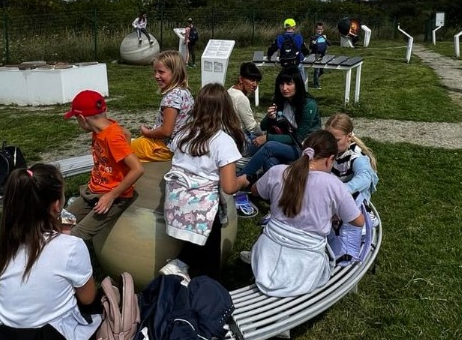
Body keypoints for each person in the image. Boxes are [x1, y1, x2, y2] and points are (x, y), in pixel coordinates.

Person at [0, 163, 121, 340]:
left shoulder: (5, 247)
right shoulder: (70, 246)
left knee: (51, 304)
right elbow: (87, 298)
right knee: (97, 304)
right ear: (57, 206)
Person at [243, 130, 365, 300]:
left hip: (264, 260)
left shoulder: (278, 171)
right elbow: (358, 221)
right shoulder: (334, 185)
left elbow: (255, 190)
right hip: (304, 270)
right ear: (330, 159)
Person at [159, 84, 246, 281]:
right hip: (202, 210)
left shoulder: (183, 133)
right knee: (210, 253)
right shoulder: (223, 141)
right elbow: (229, 187)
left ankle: (181, 263)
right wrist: (242, 181)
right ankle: (205, 285)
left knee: (198, 240)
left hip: (176, 204)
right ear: (226, 109)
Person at [232, 66, 320, 213]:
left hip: (305, 148)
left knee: (269, 145)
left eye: (289, 84)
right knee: (270, 161)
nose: (284, 88)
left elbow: (298, 137)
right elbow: (264, 125)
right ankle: (275, 198)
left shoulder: (308, 105)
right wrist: (270, 117)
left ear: (298, 84)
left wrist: (267, 137)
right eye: (281, 84)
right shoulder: (282, 101)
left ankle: (241, 179)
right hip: (287, 144)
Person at [63, 90, 144, 243]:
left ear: (82, 118)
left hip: (113, 197)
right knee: (60, 221)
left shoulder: (112, 137)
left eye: (76, 118)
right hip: (93, 191)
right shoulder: (102, 128)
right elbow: (126, 133)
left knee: (74, 236)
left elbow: (138, 169)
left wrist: (111, 195)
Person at [130, 50, 193, 161]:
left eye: (161, 72)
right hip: (180, 145)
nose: (156, 76)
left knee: (122, 150)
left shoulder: (172, 97)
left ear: (175, 72)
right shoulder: (185, 92)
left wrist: (148, 133)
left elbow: (166, 131)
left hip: (163, 147)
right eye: (155, 71)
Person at [324, 112, 379, 206]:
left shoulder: (355, 156)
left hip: (352, 204)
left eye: (336, 140)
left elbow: (365, 178)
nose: (331, 143)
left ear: (349, 136)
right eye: (328, 139)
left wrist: (340, 190)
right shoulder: (330, 150)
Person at [227, 61, 263, 142]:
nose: (255, 85)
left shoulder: (230, 90)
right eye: (252, 80)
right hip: (241, 138)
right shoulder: (241, 98)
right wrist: (265, 136)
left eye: (257, 81)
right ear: (241, 79)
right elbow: (252, 127)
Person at [267, 17, 308, 84]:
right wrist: (306, 54)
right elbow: (304, 49)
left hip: (285, 62)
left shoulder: (280, 37)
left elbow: (272, 48)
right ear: (294, 27)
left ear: (284, 27)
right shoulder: (298, 37)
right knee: (300, 82)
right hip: (297, 62)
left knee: (287, 81)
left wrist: (269, 55)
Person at [310, 21, 329, 88]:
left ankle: (315, 79)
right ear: (316, 29)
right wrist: (313, 44)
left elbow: (329, 44)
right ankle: (316, 84)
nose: (319, 31)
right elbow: (310, 47)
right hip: (316, 54)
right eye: (318, 29)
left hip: (323, 54)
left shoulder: (323, 37)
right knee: (317, 69)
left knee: (322, 70)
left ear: (323, 29)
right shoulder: (313, 37)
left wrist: (325, 39)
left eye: (321, 29)